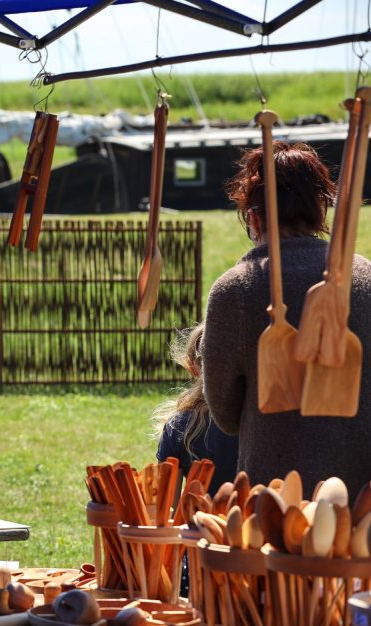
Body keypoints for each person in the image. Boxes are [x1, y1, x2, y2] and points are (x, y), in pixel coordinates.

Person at [201, 141, 371, 501]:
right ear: (319, 208)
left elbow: (226, 415)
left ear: (253, 215)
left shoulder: (236, 290)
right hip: (360, 499)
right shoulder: (365, 278)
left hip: (274, 502)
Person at [153, 323, 238, 497]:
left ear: (192, 367)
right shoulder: (257, 424)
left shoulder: (178, 427)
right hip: (250, 523)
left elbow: (168, 509)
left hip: (196, 523)